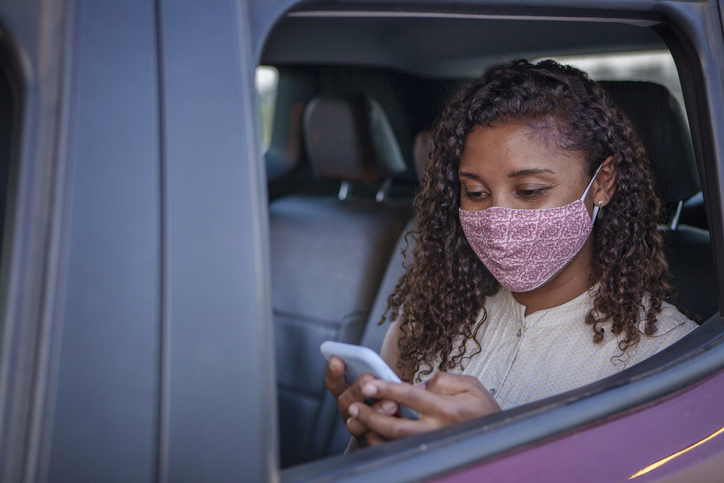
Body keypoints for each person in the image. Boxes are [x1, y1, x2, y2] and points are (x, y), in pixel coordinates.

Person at [325, 59, 698, 449]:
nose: (498, 218)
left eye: (531, 190)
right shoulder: (429, 316)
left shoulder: (670, 357)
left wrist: (500, 448)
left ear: (602, 183)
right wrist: (372, 436)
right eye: (476, 193)